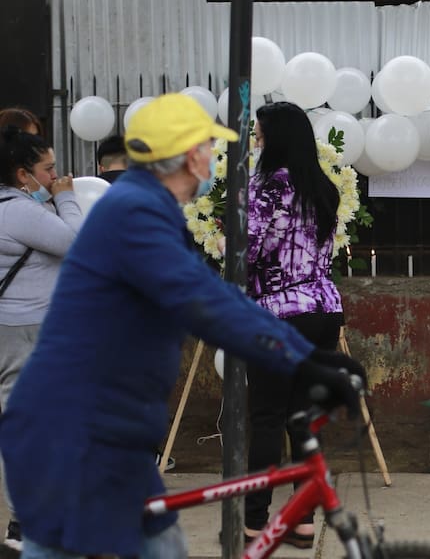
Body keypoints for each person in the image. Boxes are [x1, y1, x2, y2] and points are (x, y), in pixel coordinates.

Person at [0, 93, 366, 559]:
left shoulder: (148, 208)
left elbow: (211, 294)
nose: (214, 161)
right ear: (191, 156)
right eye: (209, 148)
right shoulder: (135, 215)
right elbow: (204, 302)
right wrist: (303, 360)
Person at [244, 101, 345, 549]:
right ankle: (303, 521)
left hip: (280, 314)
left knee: (266, 417)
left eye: (261, 136)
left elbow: (248, 251)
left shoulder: (269, 187)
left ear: (276, 138)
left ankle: (255, 522)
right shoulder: (323, 186)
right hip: (324, 310)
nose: (257, 143)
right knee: (302, 420)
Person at [0, 126, 82, 551]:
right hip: (28, 330)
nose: (55, 176)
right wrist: (66, 198)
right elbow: (77, 242)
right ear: (21, 175)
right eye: (48, 169)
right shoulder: (18, 211)